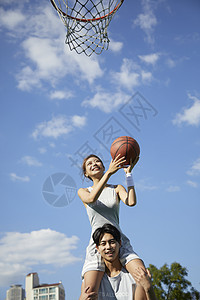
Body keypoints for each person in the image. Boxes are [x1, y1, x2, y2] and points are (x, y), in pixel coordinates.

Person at [78, 153, 147, 298]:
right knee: (89, 292)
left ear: (103, 166)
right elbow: (91, 199)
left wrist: (128, 174)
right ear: (86, 173)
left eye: (97, 161)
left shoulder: (116, 188)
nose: (94, 163)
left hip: (118, 240)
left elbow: (131, 201)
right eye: (89, 163)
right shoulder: (84, 191)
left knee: (143, 277)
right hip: (98, 243)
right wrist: (109, 173)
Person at [80, 224, 157, 300]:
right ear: (97, 248)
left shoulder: (133, 276)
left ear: (119, 243)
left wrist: (148, 288)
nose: (108, 247)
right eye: (103, 244)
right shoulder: (92, 281)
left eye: (112, 242)